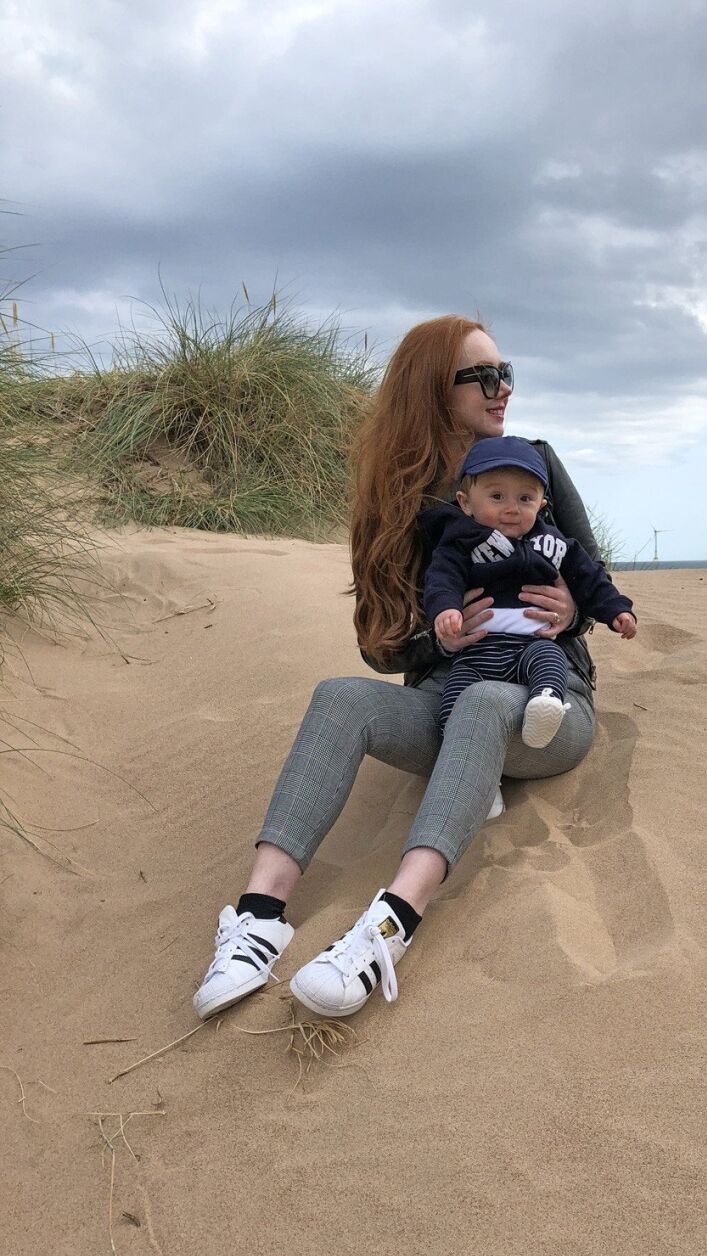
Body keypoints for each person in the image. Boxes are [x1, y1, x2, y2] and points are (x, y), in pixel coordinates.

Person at [192, 316, 609, 1024]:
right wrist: (442, 640)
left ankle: (387, 927)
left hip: (548, 705)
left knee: (483, 701)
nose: (501, 387)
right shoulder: (395, 498)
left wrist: (572, 609)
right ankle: (258, 920)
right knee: (340, 697)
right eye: (482, 375)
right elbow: (378, 650)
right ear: (430, 388)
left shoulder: (534, 461)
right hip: (442, 712)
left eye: (506, 373)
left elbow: (594, 581)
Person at [423, 435, 636, 750]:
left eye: (525, 499)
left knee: (551, 659)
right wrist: (446, 610)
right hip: (477, 652)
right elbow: (442, 578)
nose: (511, 509)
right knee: (453, 706)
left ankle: (545, 705)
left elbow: (589, 577)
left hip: (530, 645)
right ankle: (475, 772)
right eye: (497, 496)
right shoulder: (460, 542)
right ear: (465, 503)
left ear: (542, 505)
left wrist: (617, 610)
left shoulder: (554, 544)